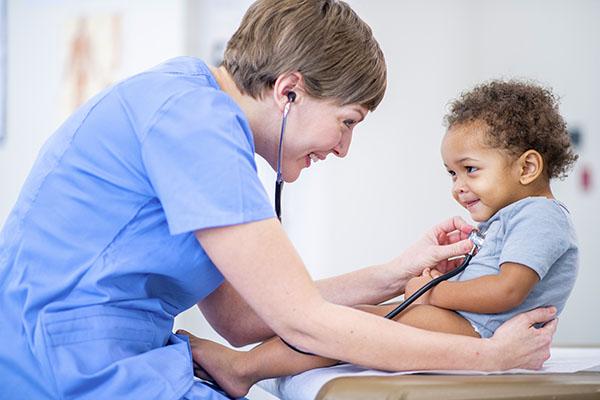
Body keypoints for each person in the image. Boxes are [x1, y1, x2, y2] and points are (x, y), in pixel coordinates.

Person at [0, 0, 557, 398]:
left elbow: (243, 320)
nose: (343, 148)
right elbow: (304, 321)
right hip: (72, 369)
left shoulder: (192, 111)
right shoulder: (195, 127)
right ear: (289, 91)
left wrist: (394, 274)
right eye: (346, 121)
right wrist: (489, 358)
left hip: (104, 358)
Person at [182, 80, 579, 398]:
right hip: (466, 323)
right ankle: (243, 366)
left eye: (470, 169)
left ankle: (241, 369)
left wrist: (434, 293)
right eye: (452, 174)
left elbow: (507, 291)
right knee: (343, 325)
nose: (459, 187)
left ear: (527, 166)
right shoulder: (510, 219)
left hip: (481, 332)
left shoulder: (540, 216)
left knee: (345, 326)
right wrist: (449, 278)